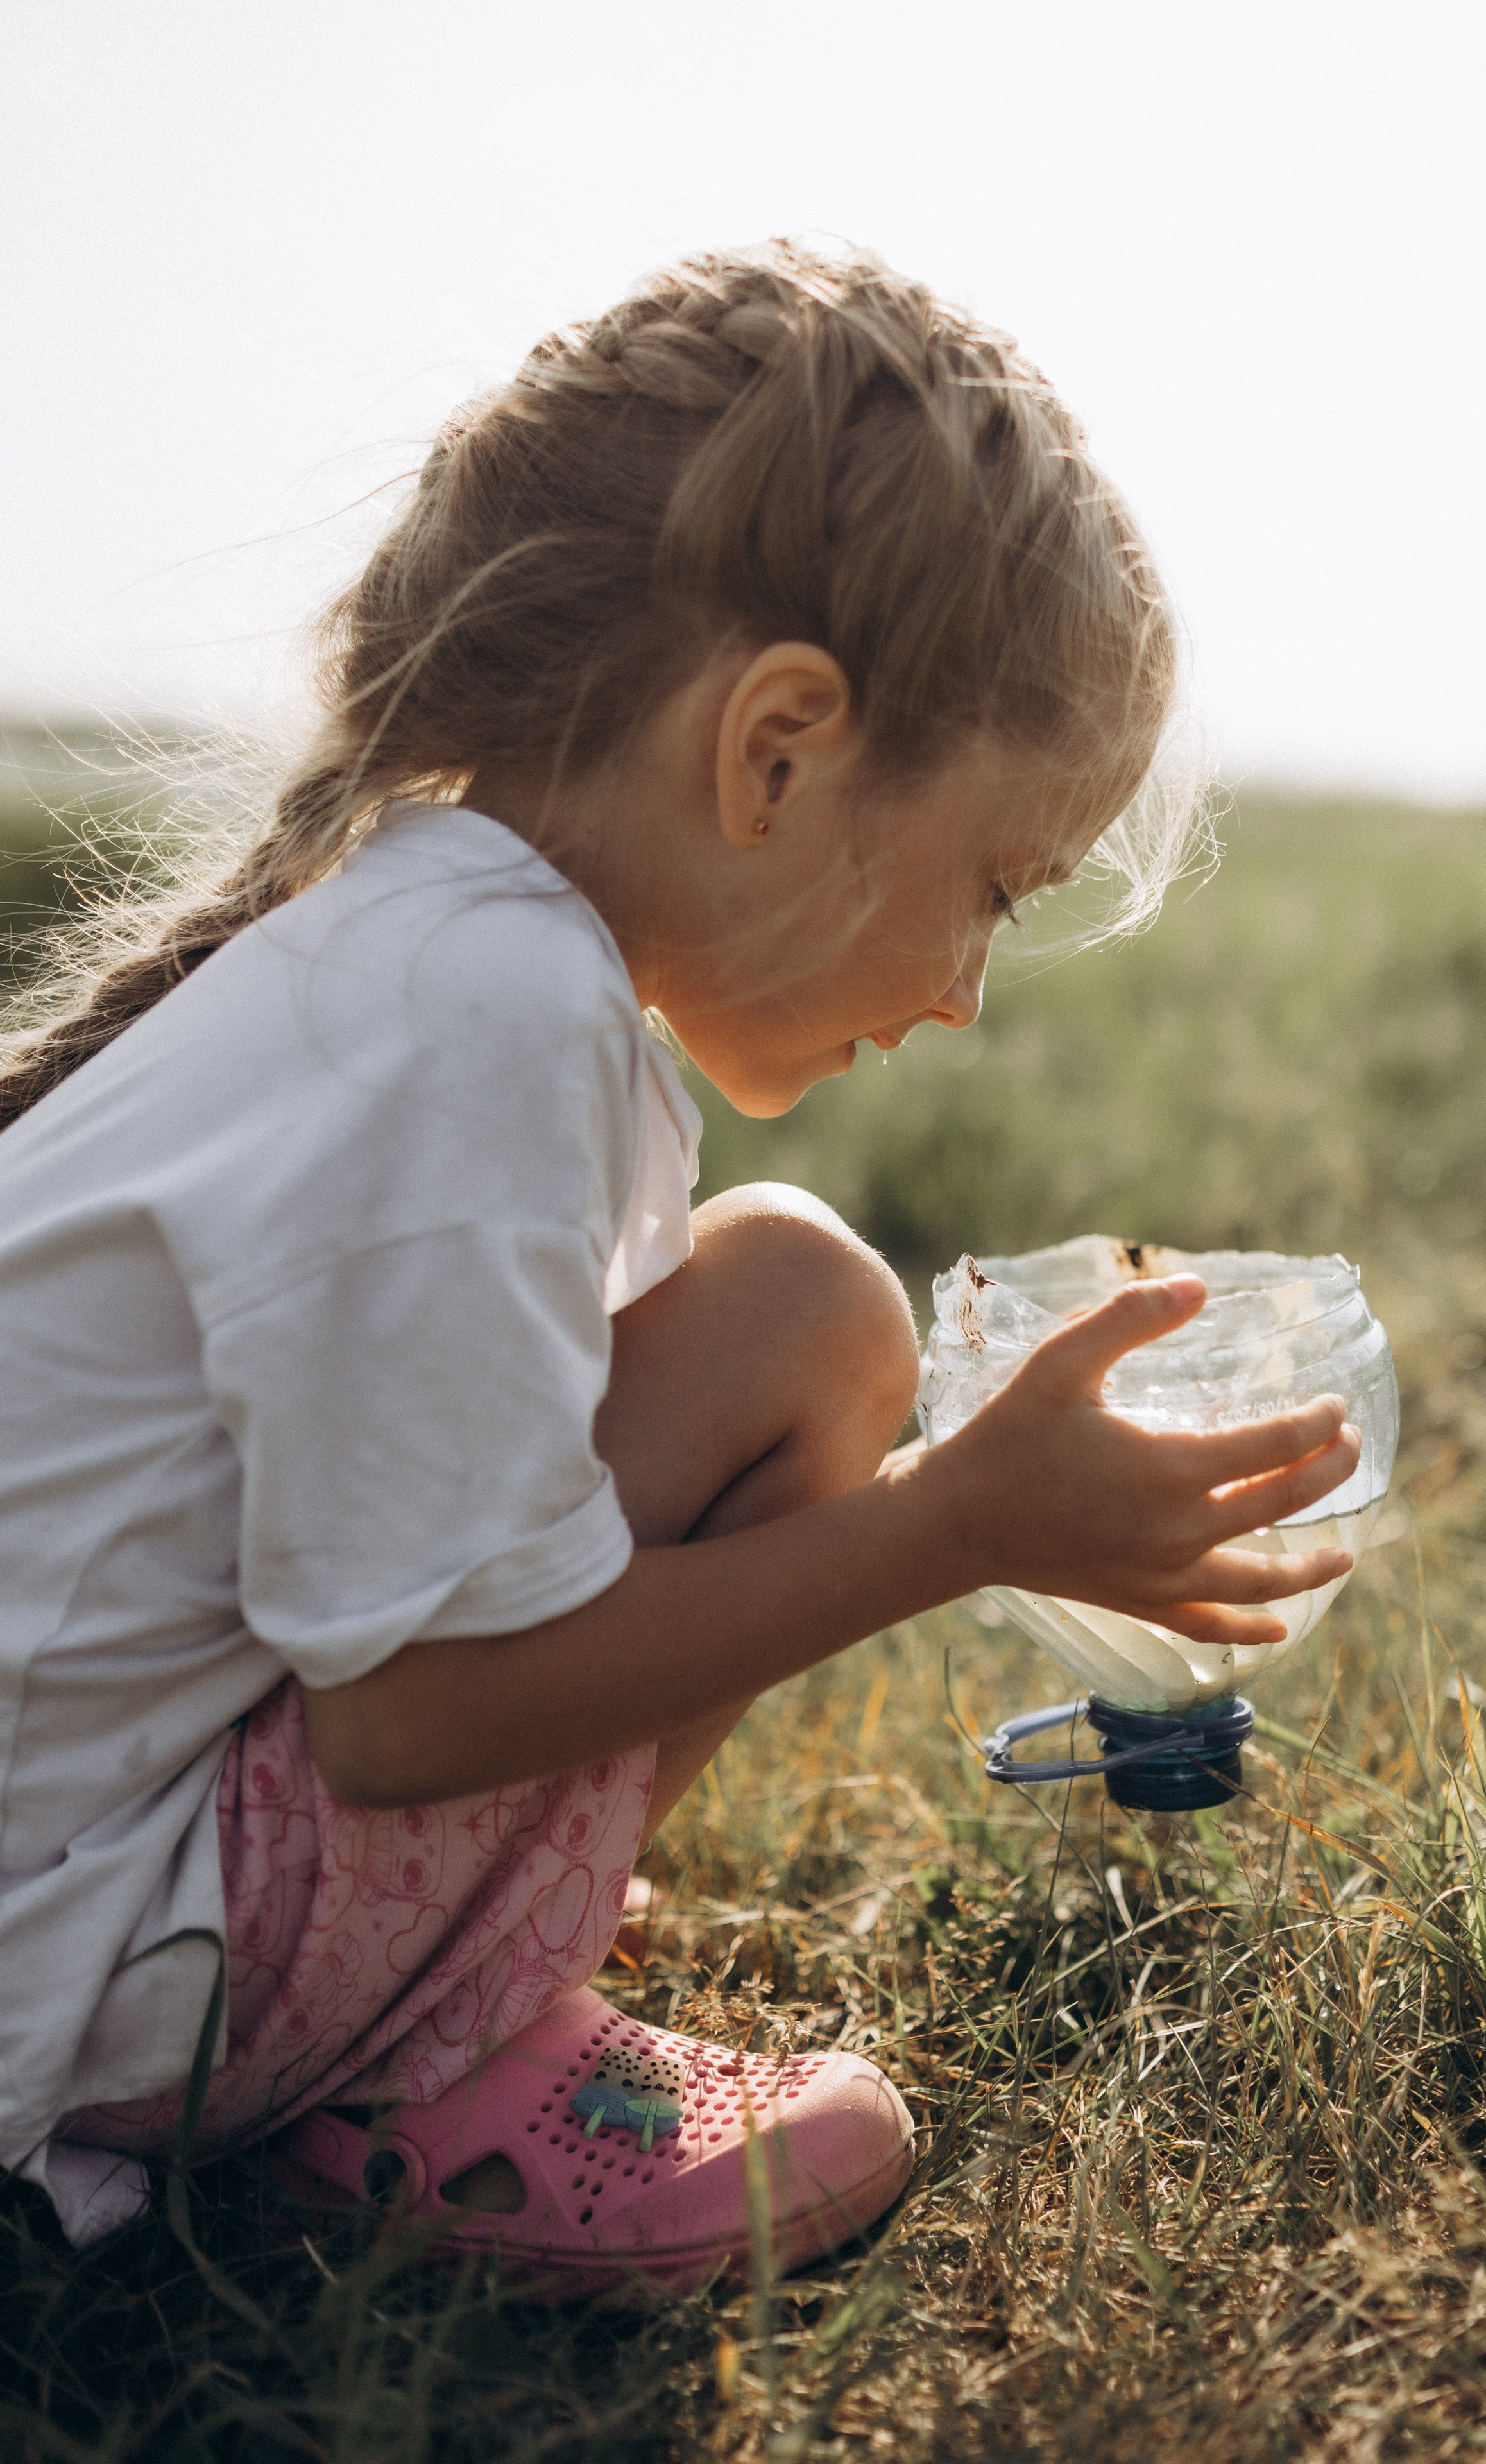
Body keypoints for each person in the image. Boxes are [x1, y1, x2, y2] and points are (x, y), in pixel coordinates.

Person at [0, 242, 1359, 2288]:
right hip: (77, 1955)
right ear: (780, 749)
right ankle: (414, 2065)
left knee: (798, 1310)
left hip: (79, 1866)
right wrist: (962, 1524)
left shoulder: (429, 960)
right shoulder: (485, 1027)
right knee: (811, 1317)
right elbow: (410, 1721)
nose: (970, 998)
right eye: (992, 890)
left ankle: (448, 1972)